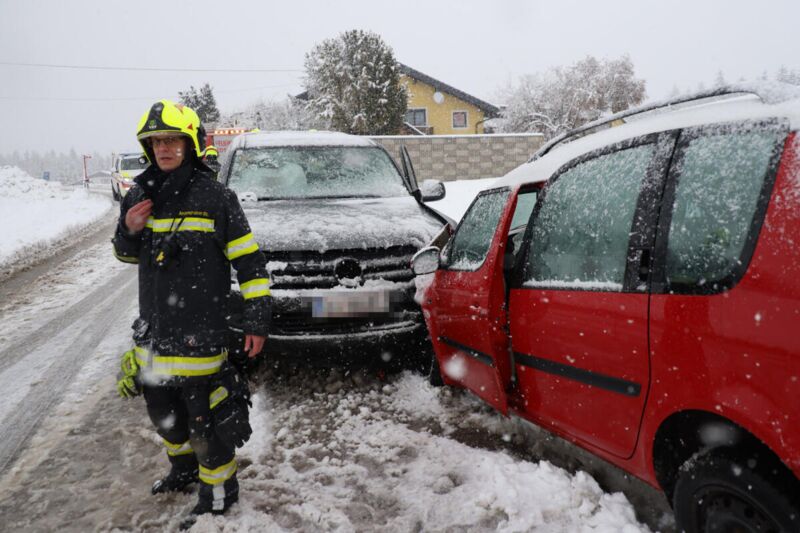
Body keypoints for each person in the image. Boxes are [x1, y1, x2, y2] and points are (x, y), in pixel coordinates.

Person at [112, 100, 271, 528]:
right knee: (164, 415)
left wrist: (256, 320)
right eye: (156, 141)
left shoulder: (217, 197)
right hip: (155, 334)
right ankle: (182, 470)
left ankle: (218, 496)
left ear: (189, 144)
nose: (164, 148)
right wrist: (129, 229)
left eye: (172, 140)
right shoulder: (138, 195)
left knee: (206, 422)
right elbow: (124, 255)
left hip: (201, 335)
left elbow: (250, 264)